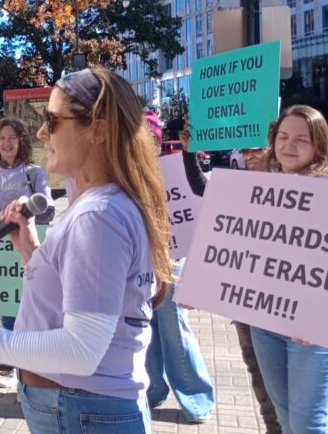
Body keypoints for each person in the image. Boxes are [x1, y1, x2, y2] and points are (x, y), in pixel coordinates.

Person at [0, 67, 173, 433]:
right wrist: (31, 251)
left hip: (82, 408)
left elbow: (82, 350)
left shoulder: (98, 217)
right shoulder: (101, 207)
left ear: (98, 130)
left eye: (53, 121)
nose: (41, 132)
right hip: (82, 406)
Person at [248, 105, 328, 434]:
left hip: (315, 329)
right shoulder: (264, 182)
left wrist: (316, 315)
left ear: (318, 144)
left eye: (301, 139)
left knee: (307, 423)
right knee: (286, 417)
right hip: (267, 321)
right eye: (283, 137)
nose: (289, 146)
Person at [179, 121, 279, 433]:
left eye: (258, 149)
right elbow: (200, 189)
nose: (250, 156)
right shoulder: (236, 186)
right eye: (246, 150)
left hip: (284, 305)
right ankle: (273, 427)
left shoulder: (293, 186)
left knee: (288, 384)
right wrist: (188, 153)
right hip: (248, 300)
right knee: (257, 370)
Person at [0, 117, 54, 389]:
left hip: (29, 248)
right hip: (0, 251)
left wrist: (25, 212)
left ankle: (32, 367)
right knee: (8, 309)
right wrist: (7, 215)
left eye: (12, 138)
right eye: (2, 138)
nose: (7, 143)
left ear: (21, 142)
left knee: (32, 307)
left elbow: (48, 209)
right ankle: (14, 369)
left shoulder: (34, 173)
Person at [142, 112, 216, 424]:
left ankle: (195, 395)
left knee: (173, 324)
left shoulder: (171, 166)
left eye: (150, 134)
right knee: (148, 326)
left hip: (173, 257)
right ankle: (153, 388)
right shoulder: (127, 169)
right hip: (142, 258)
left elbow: (196, 207)